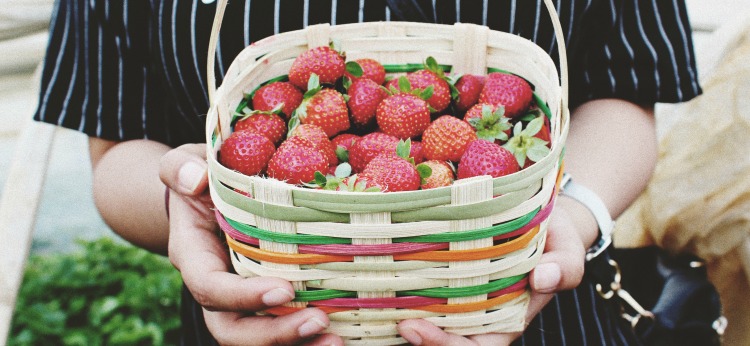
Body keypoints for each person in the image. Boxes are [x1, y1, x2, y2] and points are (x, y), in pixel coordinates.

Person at [34, 0, 702, 344]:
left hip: (531, 310)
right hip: (258, 321)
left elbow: (623, 91)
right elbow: (117, 149)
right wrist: (197, 203)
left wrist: (573, 213)